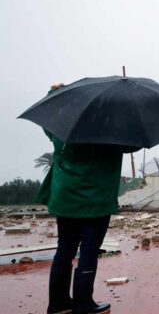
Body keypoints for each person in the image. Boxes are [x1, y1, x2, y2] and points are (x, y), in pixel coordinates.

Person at [37, 83, 139, 314]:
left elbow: (50, 116)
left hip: (65, 199)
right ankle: (84, 303)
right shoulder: (110, 133)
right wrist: (127, 113)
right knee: (89, 250)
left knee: (64, 250)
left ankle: (58, 303)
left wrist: (52, 93)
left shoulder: (61, 130)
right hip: (95, 202)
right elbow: (135, 143)